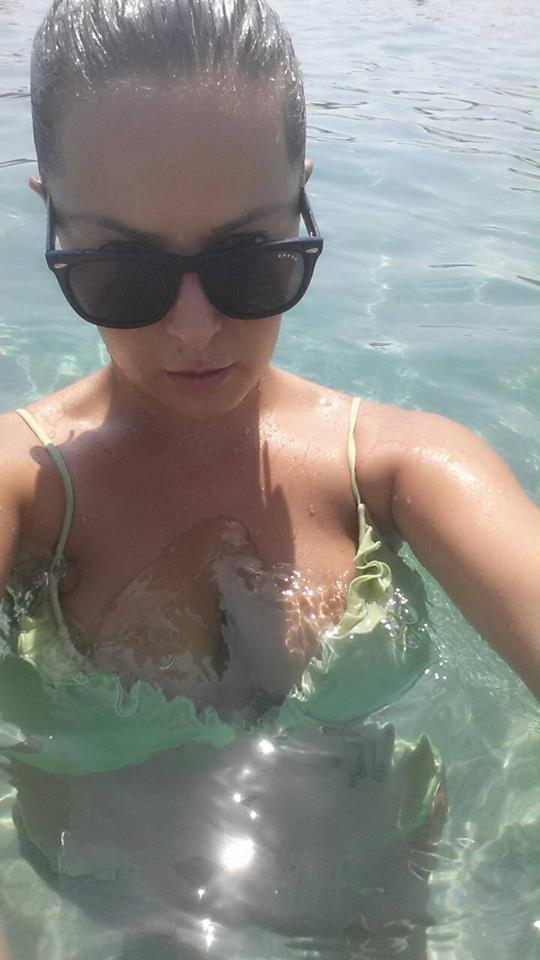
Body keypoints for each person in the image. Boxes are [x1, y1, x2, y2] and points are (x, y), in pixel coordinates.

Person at [0, 0, 538, 956]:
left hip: (376, 909)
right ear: (52, 218)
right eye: (122, 269)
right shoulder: (26, 491)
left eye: (250, 259)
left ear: (302, 203)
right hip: (112, 913)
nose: (195, 328)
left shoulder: (401, 467)